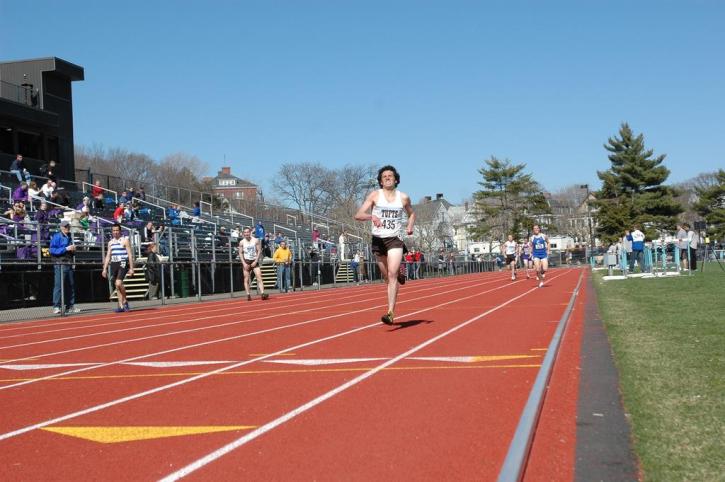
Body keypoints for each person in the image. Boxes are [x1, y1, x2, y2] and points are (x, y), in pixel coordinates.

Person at [354, 165, 415, 325]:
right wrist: (371, 217)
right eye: (384, 176)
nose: (388, 178)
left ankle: (390, 312)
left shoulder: (403, 198)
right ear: (381, 181)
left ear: (396, 179)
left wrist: (410, 225)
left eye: (390, 176)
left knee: (392, 274)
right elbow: (358, 215)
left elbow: (412, 213)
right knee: (386, 276)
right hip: (378, 240)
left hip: (394, 239)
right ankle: (398, 276)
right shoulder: (375, 195)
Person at [102, 223, 135, 312]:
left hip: (123, 262)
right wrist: (104, 269)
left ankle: (125, 301)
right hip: (114, 263)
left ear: (120, 231)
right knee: (117, 286)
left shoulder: (125, 240)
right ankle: (121, 306)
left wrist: (131, 268)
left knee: (118, 283)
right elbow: (108, 256)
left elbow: (130, 254)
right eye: (114, 230)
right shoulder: (110, 242)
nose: (115, 232)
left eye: (117, 230)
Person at [49, 220, 80, 314]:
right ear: (61, 227)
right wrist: (66, 248)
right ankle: (56, 306)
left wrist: (73, 250)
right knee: (59, 285)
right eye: (66, 227)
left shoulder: (69, 236)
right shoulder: (57, 236)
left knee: (70, 285)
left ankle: (70, 306)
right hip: (60, 264)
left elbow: (70, 251)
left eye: (68, 226)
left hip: (68, 263)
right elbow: (52, 250)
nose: (68, 228)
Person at [238, 226, 269, 301]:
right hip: (246, 261)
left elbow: (259, 251)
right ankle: (248, 295)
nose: (246, 234)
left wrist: (256, 261)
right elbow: (240, 253)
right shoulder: (242, 242)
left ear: (250, 232)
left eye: (247, 232)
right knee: (246, 279)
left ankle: (262, 293)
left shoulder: (255, 240)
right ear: (243, 234)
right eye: (245, 232)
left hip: (254, 260)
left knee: (259, 277)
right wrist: (244, 263)